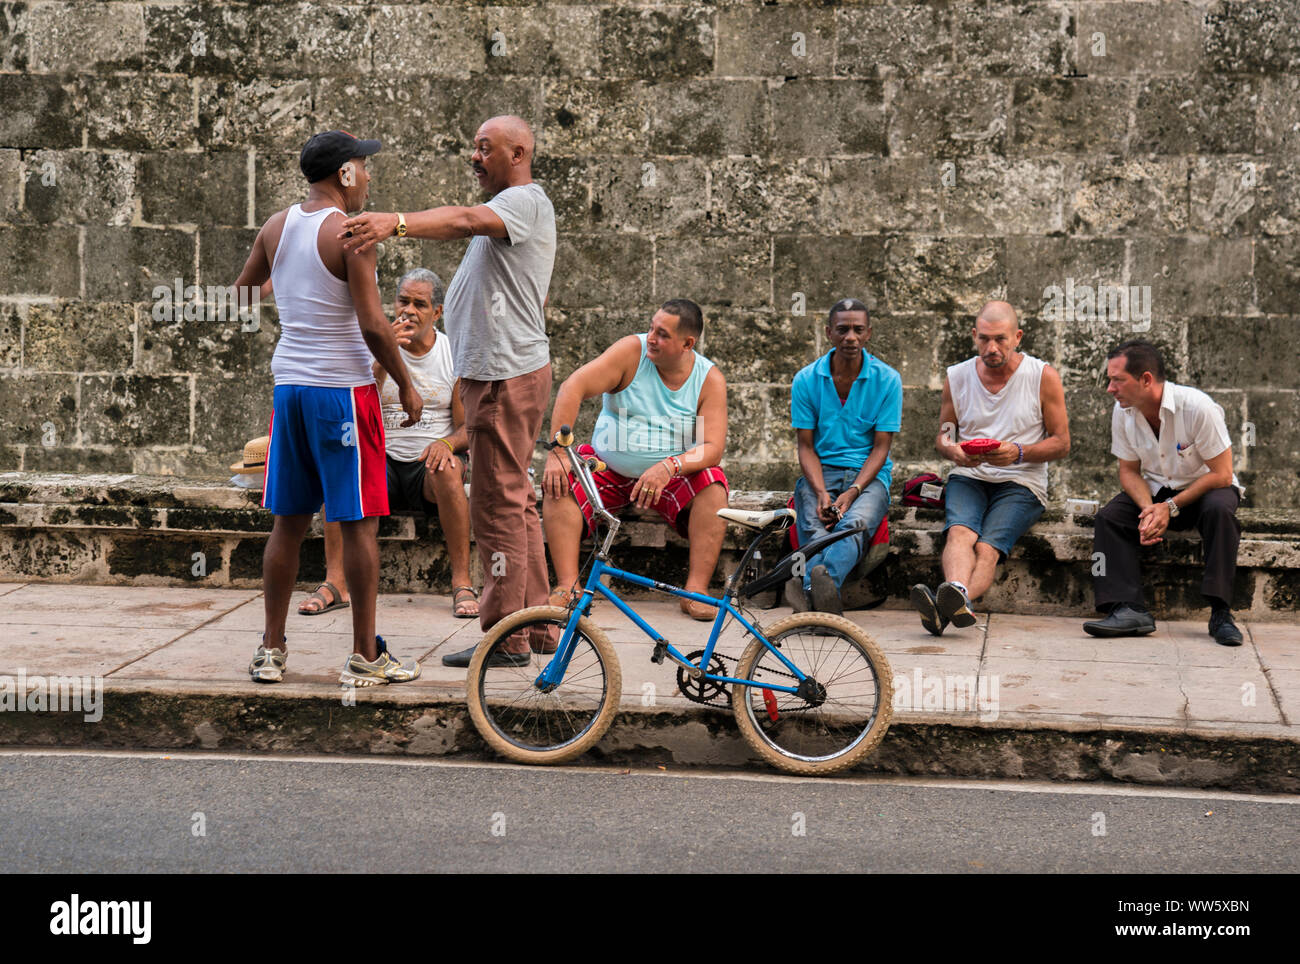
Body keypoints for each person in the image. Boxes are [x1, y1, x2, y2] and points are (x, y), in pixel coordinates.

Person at [340, 115, 555, 668]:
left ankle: (506, 637)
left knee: (499, 508)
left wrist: (397, 223)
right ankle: (538, 625)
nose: (474, 157)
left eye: (485, 148)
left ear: (519, 153)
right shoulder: (514, 207)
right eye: (473, 146)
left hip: (505, 380)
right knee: (519, 503)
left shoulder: (523, 202)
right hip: (504, 376)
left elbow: (462, 220)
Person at [232, 129, 425, 686]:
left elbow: (243, 294)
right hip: (342, 391)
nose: (368, 177)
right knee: (359, 523)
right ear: (344, 174)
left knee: (288, 523)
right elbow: (370, 324)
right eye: (364, 168)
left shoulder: (277, 226)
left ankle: (271, 649)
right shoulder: (353, 234)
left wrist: (287, 287)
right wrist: (407, 384)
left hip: (289, 388)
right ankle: (366, 654)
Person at [296, 268, 479, 620]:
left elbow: (467, 427)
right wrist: (384, 356)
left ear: (437, 313)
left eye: (420, 305)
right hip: (380, 459)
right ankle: (335, 583)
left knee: (449, 467)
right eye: (403, 301)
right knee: (342, 468)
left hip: (427, 466)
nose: (409, 311)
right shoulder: (372, 344)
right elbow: (357, 410)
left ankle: (462, 582)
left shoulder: (451, 353)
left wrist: (446, 443)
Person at [542, 300, 729, 621]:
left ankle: (695, 590)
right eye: (652, 328)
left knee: (714, 487)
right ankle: (567, 585)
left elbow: (712, 447)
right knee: (559, 482)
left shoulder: (708, 379)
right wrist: (559, 452)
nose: (651, 338)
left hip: (669, 475)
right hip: (606, 467)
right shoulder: (631, 352)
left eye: (663, 334)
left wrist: (670, 466)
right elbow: (573, 387)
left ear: (687, 344)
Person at [911, 301, 1070, 635]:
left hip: (1022, 480)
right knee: (960, 533)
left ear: (1018, 337)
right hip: (970, 475)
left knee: (987, 547)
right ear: (974, 336)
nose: (992, 347)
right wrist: (954, 452)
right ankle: (957, 598)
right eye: (984, 339)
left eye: (1000, 339)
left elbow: (1062, 443)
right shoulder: (957, 376)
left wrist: (1019, 452)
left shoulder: (1042, 376)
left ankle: (949, 604)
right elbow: (945, 435)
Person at [1082, 341, 1245, 645]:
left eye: (1117, 380)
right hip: (1157, 491)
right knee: (1109, 518)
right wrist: (1149, 510)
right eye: (1109, 380)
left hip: (1206, 488)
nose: (1110, 389)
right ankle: (1128, 608)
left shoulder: (1197, 407)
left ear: (1145, 379)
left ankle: (1221, 612)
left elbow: (1221, 473)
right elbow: (1129, 471)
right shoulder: (1124, 412)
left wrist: (1169, 508)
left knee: (1219, 512)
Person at [789, 298, 900, 615]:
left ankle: (811, 588)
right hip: (820, 473)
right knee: (812, 525)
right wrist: (822, 492)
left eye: (857, 329)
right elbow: (806, 446)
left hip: (868, 478)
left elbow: (881, 448)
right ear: (829, 333)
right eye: (842, 329)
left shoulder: (887, 380)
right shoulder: (807, 380)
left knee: (855, 524)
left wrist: (852, 492)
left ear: (868, 334)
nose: (850, 337)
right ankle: (825, 598)